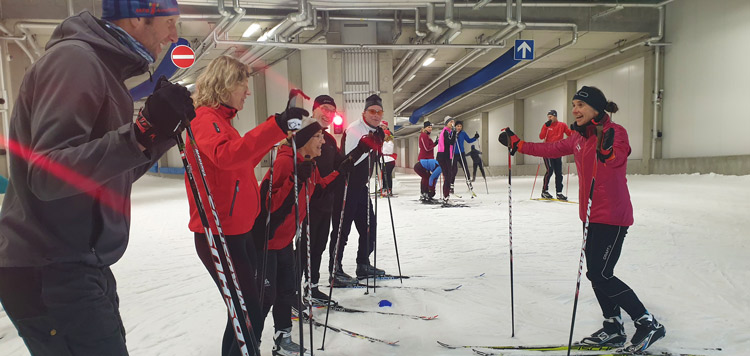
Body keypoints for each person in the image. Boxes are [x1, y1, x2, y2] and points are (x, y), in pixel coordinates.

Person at [0, 1, 193, 355]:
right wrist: (139, 134)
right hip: (51, 267)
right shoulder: (75, 60)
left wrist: (159, 134)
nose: (173, 36)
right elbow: (46, 175)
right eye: (169, 22)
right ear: (138, 16)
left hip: (77, 262)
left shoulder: (104, 72)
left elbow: (108, 177)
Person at [498, 86, 666, 352]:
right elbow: (550, 148)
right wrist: (517, 144)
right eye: (574, 104)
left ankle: (647, 323)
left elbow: (618, 156)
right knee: (597, 274)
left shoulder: (614, 132)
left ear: (596, 108)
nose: (575, 110)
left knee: (600, 273)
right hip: (590, 215)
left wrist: (608, 151)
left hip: (612, 215)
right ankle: (613, 326)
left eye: (581, 105)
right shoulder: (577, 137)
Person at [184, 56, 306, 355]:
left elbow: (241, 162)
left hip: (239, 230)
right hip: (219, 235)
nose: (247, 92)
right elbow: (227, 156)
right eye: (242, 84)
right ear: (224, 83)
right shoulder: (204, 119)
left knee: (251, 305)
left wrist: (276, 131)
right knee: (247, 306)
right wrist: (274, 127)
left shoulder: (222, 122)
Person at [256, 118, 347, 356]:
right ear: (304, 140)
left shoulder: (309, 163)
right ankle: (249, 341)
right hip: (266, 242)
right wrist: (295, 179)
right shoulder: (286, 162)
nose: (323, 141)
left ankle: (283, 338)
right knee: (265, 297)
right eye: (318, 136)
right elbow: (268, 206)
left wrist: (340, 172)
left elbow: (317, 193)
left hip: (285, 240)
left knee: (287, 291)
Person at [330, 94, 386, 281]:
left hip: (361, 187)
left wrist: (378, 144)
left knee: (369, 227)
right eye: (372, 111)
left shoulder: (375, 129)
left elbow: (373, 156)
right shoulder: (355, 128)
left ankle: (363, 264)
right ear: (364, 112)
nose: (376, 115)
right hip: (346, 186)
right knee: (342, 229)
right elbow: (348, 161)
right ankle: (335, 270)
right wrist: (368, 146)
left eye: (379, 112)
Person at [300, 94, 345, 304]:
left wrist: (358, 155)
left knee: (318, 247)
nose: (328, 114)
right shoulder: (302, 133)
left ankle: (313, 287)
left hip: (326, 202)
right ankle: (292, 294)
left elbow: (339, 164)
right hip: (306, 203)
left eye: (332, 110)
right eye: (324, 109)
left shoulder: (328, 139)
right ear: (315, 109)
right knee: (302, 250)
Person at [538, 109, 572, 200]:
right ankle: (544, 191)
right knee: (550, 170)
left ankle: (559, 192)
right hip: (547, 151)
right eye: (548, 116)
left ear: (555, 116)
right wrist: (545, 127)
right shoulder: (546, 126)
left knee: (559, 172)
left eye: (551, 116)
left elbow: (570, 133)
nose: (549, 118)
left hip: (557, 151)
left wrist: (575, 130)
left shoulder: (562, 125)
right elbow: (541, 136)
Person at [451, 120, 479, 189]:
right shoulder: (452, 133)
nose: (459, 127)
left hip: (462, 153)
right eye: (458, 126)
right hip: (454, 153)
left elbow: (469, 140)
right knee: (454, 170)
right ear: (455, 126)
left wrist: (475, 137)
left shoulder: (463, 133)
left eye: (460, 126)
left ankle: (469, 182)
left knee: (465, 168)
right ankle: (451, 185)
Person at [436, 116, 457, 202]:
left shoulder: (448, 132)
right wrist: (455, 133)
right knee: (448, 175)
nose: (452, 124)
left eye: (452, 122)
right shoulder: (446, 132)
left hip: (446, 156)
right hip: (444, 156)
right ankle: (446, 195)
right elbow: (450, 142)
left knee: (448, 175)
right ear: (446, 123)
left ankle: (446, 195)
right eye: (450, 122)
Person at [381, 131, 397, 197]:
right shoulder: (383, 142)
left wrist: (382, 143)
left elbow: (387, 150)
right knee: (383, 175)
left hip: (389, 160)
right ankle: (384, 188)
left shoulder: (389, 143)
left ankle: (389, 189)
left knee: (387, 175)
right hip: (383, 160)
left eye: (385, 135)